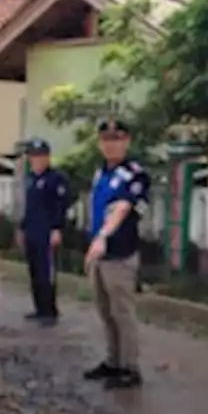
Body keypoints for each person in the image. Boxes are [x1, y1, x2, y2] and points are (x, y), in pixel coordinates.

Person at [82, 119, 150, 389]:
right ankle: (113, 361)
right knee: (105, 311)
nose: (111, 144)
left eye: (117, 139)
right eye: (106, 139)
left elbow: (122, 208)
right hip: (100, 255)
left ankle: (130, 368)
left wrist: (102, 237)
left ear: (127, 141)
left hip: (120, 253)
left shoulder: (135, 174)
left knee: (123, 312)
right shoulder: (101, 173)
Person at [16, 138, 69, 326]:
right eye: (33, 156)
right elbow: (29, 208)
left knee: (47, 271)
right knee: (35, 271)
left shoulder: (56, 178)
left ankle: (49, 310)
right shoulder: (31, 179)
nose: (36, 160)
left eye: (40, 156)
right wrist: (22, 228)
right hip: (32, 230)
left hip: (47, 231)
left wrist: (57, 228)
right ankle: (39, 308)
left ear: (47, 157)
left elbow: (60, 206)